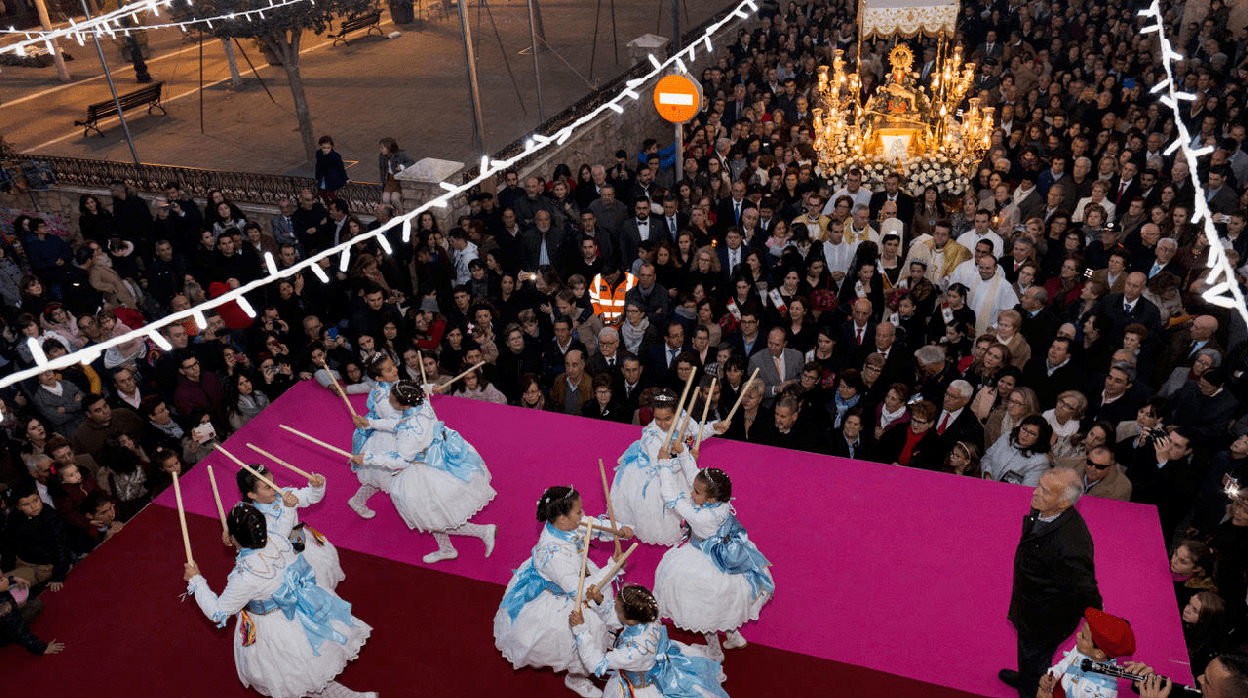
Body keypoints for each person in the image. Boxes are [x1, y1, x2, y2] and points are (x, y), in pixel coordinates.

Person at [183, 504, 376, 698]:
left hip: (276, 629)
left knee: (294, 679)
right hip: (305, 609)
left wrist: (197, 580)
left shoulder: (245, 577)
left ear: (233, 538)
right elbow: (280, 528)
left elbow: (218, 613)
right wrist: (236, 542)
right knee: (307, 674)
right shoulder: (279, 538)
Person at [494, 486, 633, 698]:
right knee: (582, 633)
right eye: (579, 512)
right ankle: (576, 677)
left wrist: (620, 529)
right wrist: (612, 568)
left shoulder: (570, 524)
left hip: (576, 574)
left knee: (600, 614)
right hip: (565, 594)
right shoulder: (552, 554)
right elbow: (579, 591)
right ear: (562, 520)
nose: (583, 515)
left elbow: (591, 524)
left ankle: (605, 638)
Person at [349, 380, 497, 563]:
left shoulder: (410, 432)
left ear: (403, 404)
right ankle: (447, 548)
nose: (389, 401)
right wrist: (370, 423)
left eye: (392, 400)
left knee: (431, 515)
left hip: (422, 468)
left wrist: (368, 458)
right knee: (433, 514)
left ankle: (482, 531)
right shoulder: (421, 404)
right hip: (437, 456)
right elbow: (398, 423)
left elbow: (400, 460)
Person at [1000, 467, 1103, 698]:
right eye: (1039, 485)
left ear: (1064, 503)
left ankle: (1029, 688)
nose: (1034, 492)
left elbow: (1084, 589)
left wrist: (1098, 617)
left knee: (1036, 656)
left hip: (1045, 619)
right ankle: (1025, 675)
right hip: (1030, 604)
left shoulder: (1069, 546)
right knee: (1028, 652)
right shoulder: (1045, 508)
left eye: (1045, 491)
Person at [653, 468, 773, 658]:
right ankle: (734, 636)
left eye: (696, 492)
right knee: (724, 604)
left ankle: (716, 653)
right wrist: (684, 454)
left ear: (710, 499)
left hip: (704, 559)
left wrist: (664, 465)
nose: (691, 494)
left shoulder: (700, 517)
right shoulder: (722, 503)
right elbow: (697, 474)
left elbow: (670, 497)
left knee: (705, 609)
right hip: (726, 555)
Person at [569, 584, 728, 698]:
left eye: (616, 607)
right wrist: (600, 600)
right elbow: (618, 619)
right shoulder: (648, 616)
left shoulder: (633, 652)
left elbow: (595, 663)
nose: (613, 607)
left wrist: (581, 630)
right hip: (660, 666)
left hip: (641, 687)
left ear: (630, 619)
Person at [611, 390, 727, 545]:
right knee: (655, 506)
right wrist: (687, 458)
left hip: (676, 463)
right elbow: (660, 465)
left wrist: (713, 427)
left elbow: (695, 434)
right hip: (657, 470)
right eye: (658, 419)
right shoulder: (651, 435)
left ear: (676, 413)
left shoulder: (682, 418)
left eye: (667, 419)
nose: (663, 423)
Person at [235, 463, 343, 591]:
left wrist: (317, 487)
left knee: (321, 568)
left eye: (273, 482)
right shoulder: (255, 519)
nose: (274, 488)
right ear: (252, 495)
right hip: (285, 557)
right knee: (309, 586)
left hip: (301, 542)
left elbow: (310, 497)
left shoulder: (283, 495)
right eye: (267, 487)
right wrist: (288, 509)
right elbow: (280, 537)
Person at [1036, 608, 1137, 698]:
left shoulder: (1102, 690)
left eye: (1084, 637)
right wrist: (1052, 677)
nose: (1078, 635)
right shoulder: (1082, 651)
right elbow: (1065, 664)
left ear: (1099, 653)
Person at [981, 415, 1054, 487]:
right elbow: (987, 456)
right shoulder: (1007, 437)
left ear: (1040, 438)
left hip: (1008, 496)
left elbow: (1026, 490)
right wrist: (987, 475)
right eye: (1024, 429)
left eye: (1032, 433)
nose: (1025, 435)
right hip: (986, 485)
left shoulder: (1040, 461)